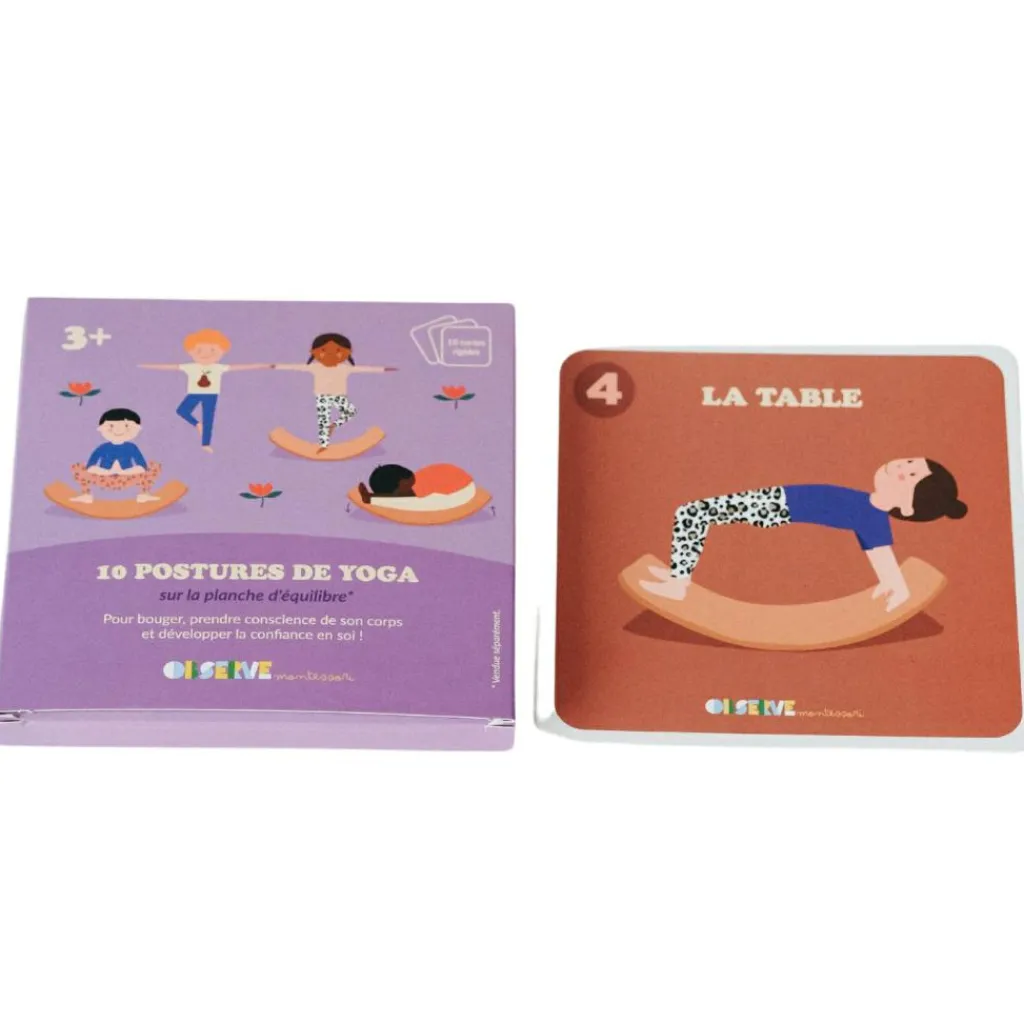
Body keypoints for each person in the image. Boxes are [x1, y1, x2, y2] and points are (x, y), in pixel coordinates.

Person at [640, 458, 968, 611]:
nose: (899, 467)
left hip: (775, 506)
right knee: (696, 513)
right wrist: (890, 583)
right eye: (907, 462)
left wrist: (895, 586)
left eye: (908, 476)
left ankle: (678, 583)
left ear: (907, 507)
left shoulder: (873, 519)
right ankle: (678, 574)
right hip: (776, 499)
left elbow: (880, 552)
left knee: (692, 512)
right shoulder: (868, 506)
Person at [140, 329, 273, 452]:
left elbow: (243, 367)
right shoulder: (190, 367)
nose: (205, 354)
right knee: (182, 410)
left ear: (222, 352)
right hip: (194, 393)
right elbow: (170, 367)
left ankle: (206, 444)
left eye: (212, 350)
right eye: (199, 350)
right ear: (190, 352)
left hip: (211, 395)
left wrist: (263, 366)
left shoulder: (219, 367)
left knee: (208, 418)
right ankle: (198, 425)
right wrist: (145, 365)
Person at [273, 334, 398, 453]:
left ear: (348, 353)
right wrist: (274, 366)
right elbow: (294, 367)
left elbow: (365, 369)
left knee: (350, 412)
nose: (330, 355)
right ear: (313, 352)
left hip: (338, 396)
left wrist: (383, 369)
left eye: (338, 351)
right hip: (322, 397)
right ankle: (323, 445)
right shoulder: (315, 367)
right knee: (323, 420)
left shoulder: (345, 368)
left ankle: (333, 425)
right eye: (323, 351)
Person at [70, 408, 163, 504]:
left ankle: (144, 493)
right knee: (79, 468)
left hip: (128, 477)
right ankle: (86, 494)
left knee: (153, 466)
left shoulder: (131, 447)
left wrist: (123, 472)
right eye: (111, 426)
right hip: (103, 478)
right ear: (101, 429)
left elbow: (142, 467)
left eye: (126, 426)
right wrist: (107, 472)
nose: (118, 430)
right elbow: (90, 466)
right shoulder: (103, 448)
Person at [358, 463, 476, 512]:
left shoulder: (406, 494)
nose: (412, 490)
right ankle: (371, 498)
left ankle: (371, 497)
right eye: (408, 487)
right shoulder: (401, 500)